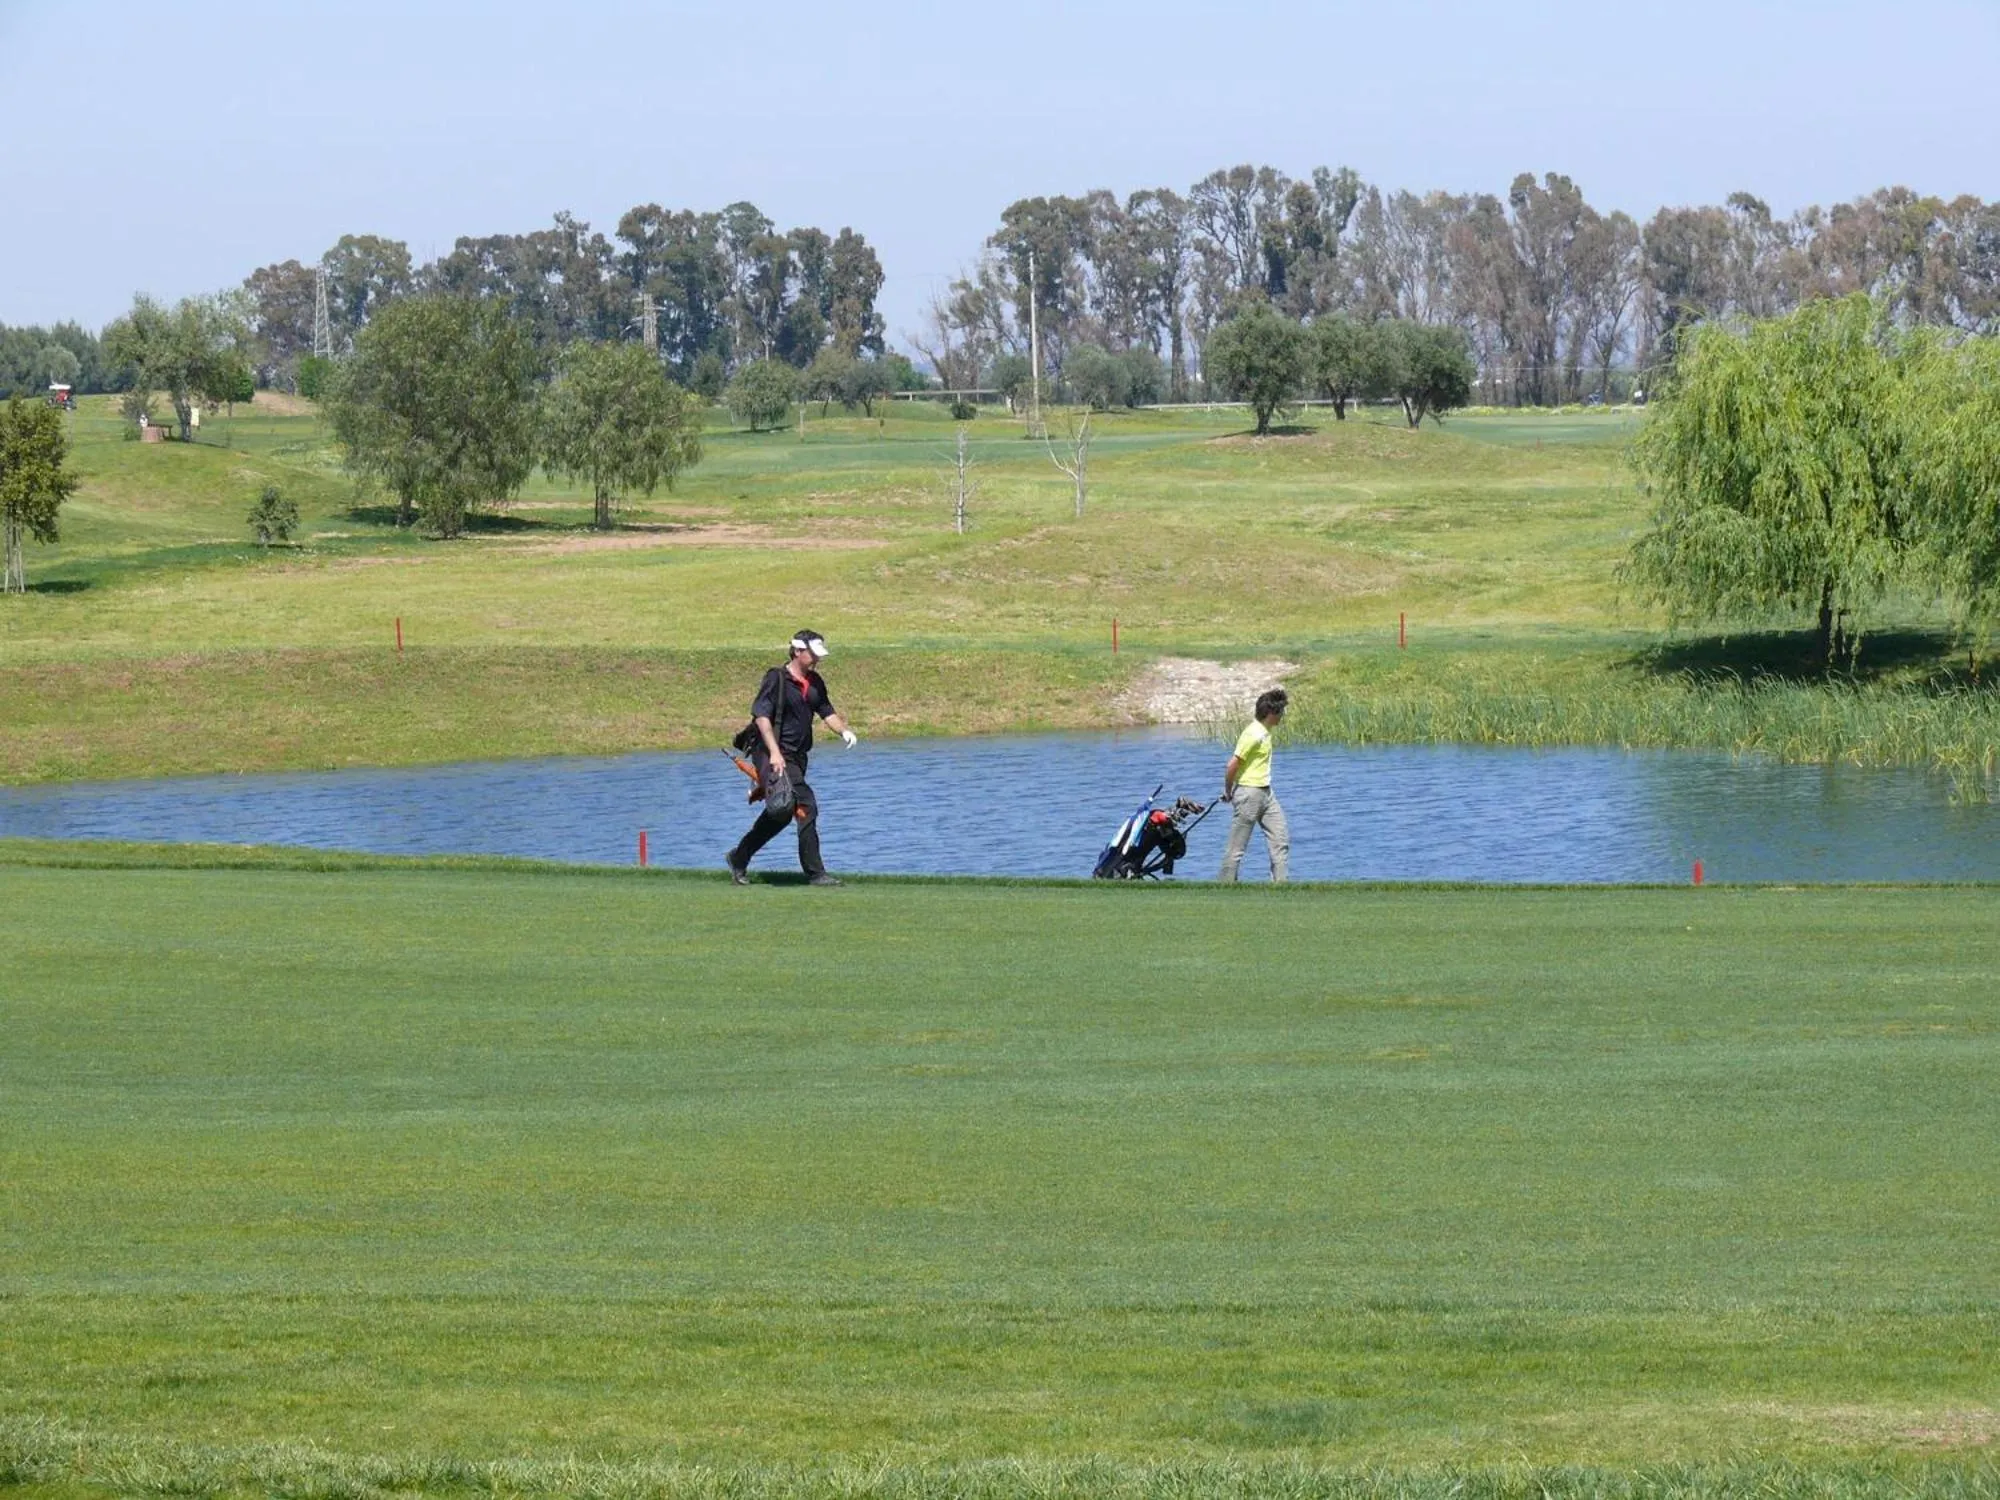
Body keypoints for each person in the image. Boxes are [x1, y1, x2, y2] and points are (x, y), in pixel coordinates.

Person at [726, 629, 858, 887]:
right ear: (797, 651)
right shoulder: (776, 679)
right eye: (813, 654)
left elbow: (826, 711)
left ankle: (739, 856)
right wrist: (775, 753)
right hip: (772, 754)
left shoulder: (815, 682)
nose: (817, 659)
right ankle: (816, 873)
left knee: (782, 811)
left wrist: (844, 731)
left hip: (797, 757)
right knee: (807, 805)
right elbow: (762, 717)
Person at [1218, 688, 1290, 883]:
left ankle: (1281, 886)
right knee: (1236, 847)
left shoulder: (1265, 732)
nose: (1282, 715)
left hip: (1267, 793)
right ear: (1271, 713)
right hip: (1249, 794)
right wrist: (1228, 791)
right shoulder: (1253, 733)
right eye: (1281, 711)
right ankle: (1225, 886)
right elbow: (1232, 765)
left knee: (1280, 839)